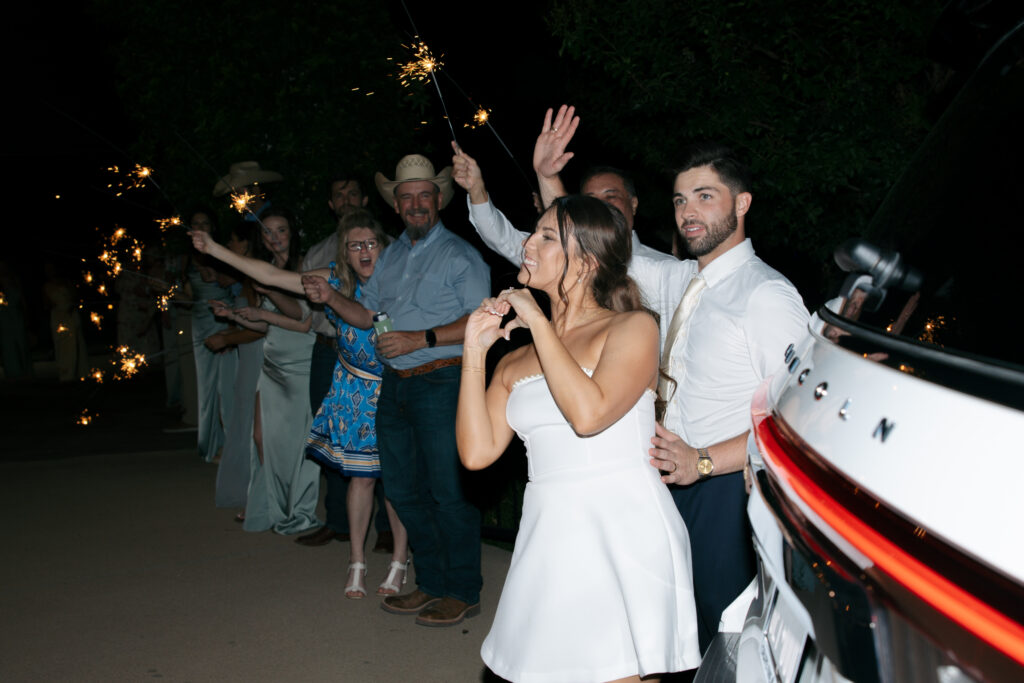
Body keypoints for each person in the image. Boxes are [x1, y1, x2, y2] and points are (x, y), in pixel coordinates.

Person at [457, 195, 700, 682]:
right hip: (550, 529)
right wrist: (475, 351)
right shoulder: (514, 362)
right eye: (535, 231)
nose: (529, 243)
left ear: (587, 261)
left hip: (622, 525)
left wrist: (542, 325)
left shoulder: (633, 327)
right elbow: (476, 453)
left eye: (548, 237)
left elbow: (588, 415)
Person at [191, 209, 410, 595]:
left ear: (383, 247)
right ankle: (356, 562)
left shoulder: (398, 280)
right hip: (352, 388)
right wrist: (215, 250)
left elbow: (370, 321)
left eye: (370, 243)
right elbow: (271, 276)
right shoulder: (335, 278)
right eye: (354, 244)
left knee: (395, 480)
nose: (363, 251)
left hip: (389, 387)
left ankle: (398, 562)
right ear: (344, 250)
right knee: (359, 478)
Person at [311, 153, 490, 627]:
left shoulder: (460, 255)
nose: (414, 204)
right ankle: (430, 582)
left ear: (438, 200)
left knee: (447, 493)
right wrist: (331, 299)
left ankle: (462, 588)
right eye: (406, 196)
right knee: (406, 492)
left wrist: (422, 338)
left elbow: (481, 318)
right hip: (396, 386)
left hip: (443, 379)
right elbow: (367, 315)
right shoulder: (391, 256)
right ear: (396, 205)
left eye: (423, 195)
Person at [200, 208, 320, 534]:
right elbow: (265, 323)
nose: (275, 237)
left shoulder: (304, 267)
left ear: (291, 232)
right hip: (272, 360)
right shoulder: (265, 270)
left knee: (295, 444)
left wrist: (269, 296)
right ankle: (272, 501)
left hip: (299, 362)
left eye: (280, 230)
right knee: (260, 436)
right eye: (268, 232)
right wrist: (236, 316)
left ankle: (296, 506)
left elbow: (303, 320)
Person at [294, 175, 393, 554]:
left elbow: (375, 318)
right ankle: (336, 521)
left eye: (354, 192)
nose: (347, 199)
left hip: (379, 365)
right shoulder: (319, 254)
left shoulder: (391, 256)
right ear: (331, 204)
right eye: (340, 194)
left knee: (385, 452)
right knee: (338, 443)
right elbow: (286, 284)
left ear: (365, 199)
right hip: (332, 353)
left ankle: (386, 529)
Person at [205, 221, 266, 511]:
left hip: (257, 356)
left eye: (232, 241)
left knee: (254, 425)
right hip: (247, 354)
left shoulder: (255, 277)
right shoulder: (245, 277)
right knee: (243, 420)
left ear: (245, 244)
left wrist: (225, 337)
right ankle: (250, 491)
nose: (230, 246)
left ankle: (257, 493)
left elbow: (261, 328)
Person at [184, 209, 238, 462]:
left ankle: (230, 444)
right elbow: (187, 295)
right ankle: (209, 442)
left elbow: (237, 281)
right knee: (206, 385)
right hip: (199, 322)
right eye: (196, 223)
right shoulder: (185, 259)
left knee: (226, 386)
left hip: (223, 319)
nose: (200, 227)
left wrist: (217, 276)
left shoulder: (221, 253)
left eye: (205, 223)